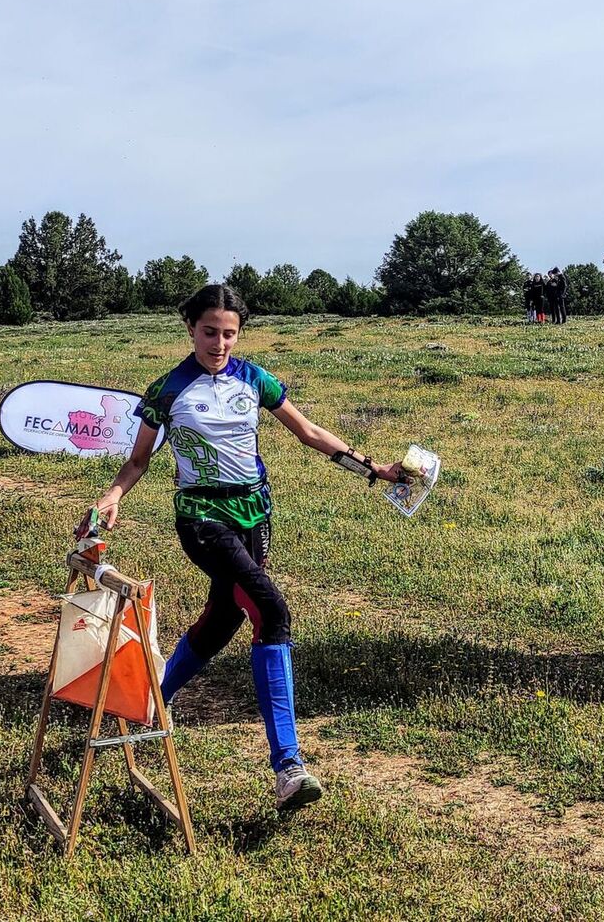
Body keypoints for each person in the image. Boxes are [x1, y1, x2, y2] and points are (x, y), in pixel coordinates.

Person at [79, 284, 412, 813]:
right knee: (271, 610)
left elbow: (308, 433)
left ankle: (147, 705)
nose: (219, 343)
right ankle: (288, 766)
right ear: (190, 329)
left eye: (229, 333)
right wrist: (112, 497)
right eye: (209, 331)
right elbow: (139, 460)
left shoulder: (254, 379)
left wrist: (373, 468)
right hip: (202, 518)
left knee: (223, 620)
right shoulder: (167, 390)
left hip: (255, 514)